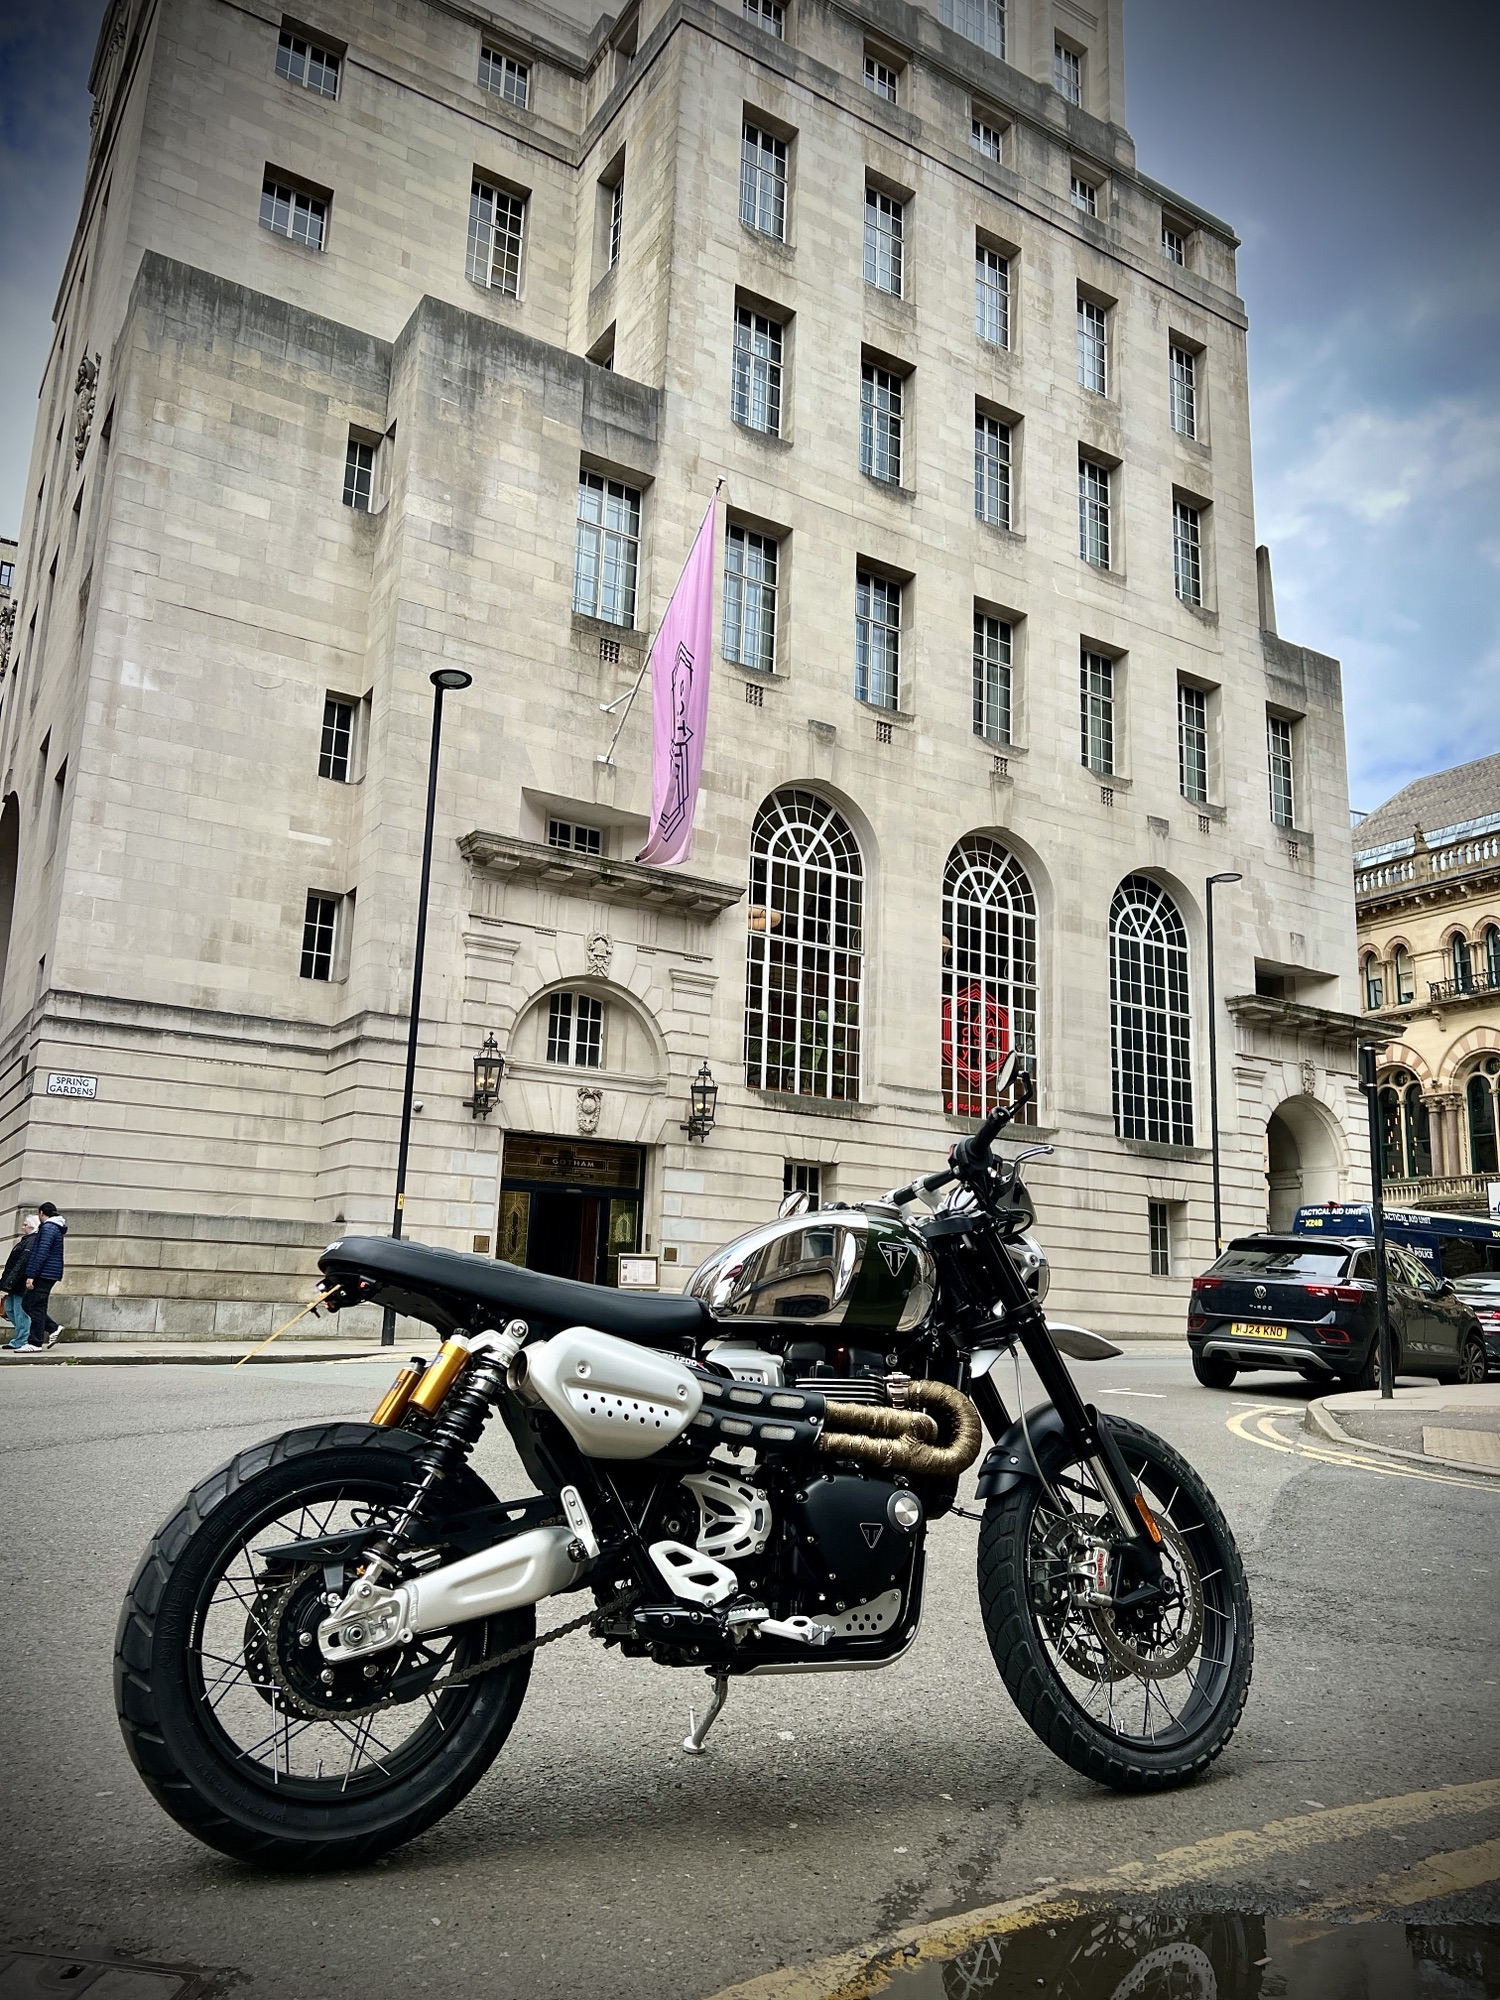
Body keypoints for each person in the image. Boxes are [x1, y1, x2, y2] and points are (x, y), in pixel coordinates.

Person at [19, 1201, 66, 1350]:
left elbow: (41, 1253)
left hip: (44, 1273)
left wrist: (31, 1275)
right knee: (36, 1305)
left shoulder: (48, 1227)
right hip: (49, 1273)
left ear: (41, 1213)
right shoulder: (55, 1227)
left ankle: (37, 1340)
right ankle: (47, 1332)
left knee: (30, 1304)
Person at [2, 1216, 38, 1350]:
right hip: (15, 1282)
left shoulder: (31, 1241)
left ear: (32, 1226)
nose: (23, 1227)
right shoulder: (26, 1241)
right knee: (9, 1309)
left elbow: (21, 1264)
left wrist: (9, 1282)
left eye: (25, 1225)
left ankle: (21, 1339)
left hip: (20, 1282)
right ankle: (21, 1336)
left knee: (19, 1312)